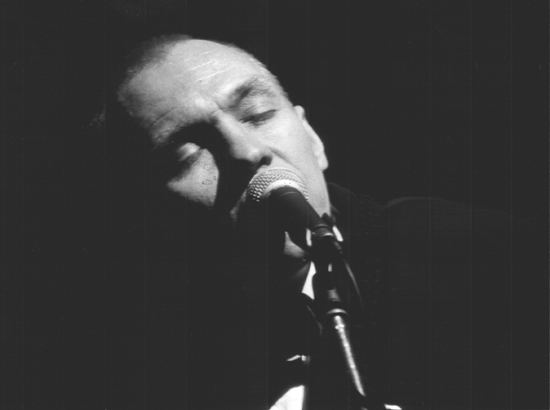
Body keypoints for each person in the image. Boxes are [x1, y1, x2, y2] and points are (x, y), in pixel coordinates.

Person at [97, 34, 540, 410]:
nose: (247, 152)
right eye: (186, 153)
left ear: (312, 139)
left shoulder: (489, 260)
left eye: (258, 115)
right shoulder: (146, 368)